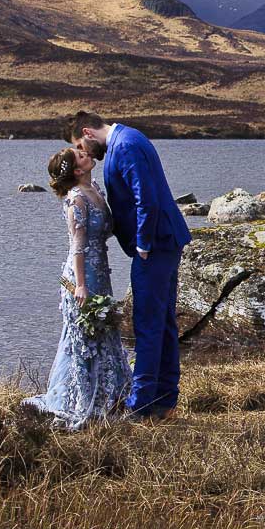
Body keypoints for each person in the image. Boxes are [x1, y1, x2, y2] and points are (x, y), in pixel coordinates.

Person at [65, 110, 192, 420]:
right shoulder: (126, 139)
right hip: (163, 241)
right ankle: (164, 400)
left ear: (87, 132)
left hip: (156, 244)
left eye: (80, 145)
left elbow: (145, 197)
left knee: (147, 323)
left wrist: (143, 244)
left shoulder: (125, 145)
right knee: (163, 322)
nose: (83, 151)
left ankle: (141, 406)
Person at [22, 144, 132, 429]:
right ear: (77, 170)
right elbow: (77, 248)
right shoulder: (77, 200)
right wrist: (80, 286)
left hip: (101, 271)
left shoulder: (94, 188)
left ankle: (112, 396)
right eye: (81, 156)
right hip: (81, 276)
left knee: (104, 333)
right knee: (84, 339)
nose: (87, 154)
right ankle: (82, 401)